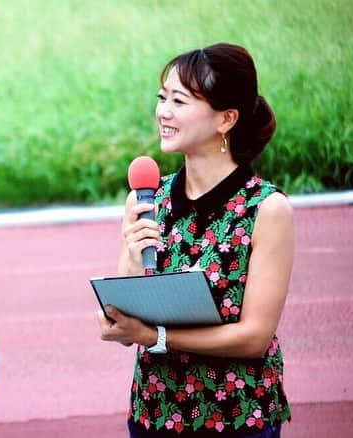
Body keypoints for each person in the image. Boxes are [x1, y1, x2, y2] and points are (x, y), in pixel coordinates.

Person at [98, 43, 293, 437]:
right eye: (162, 98)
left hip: (237, 418)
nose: (163, 112)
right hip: (154, 412)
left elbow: (255, 337)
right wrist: (130, 269)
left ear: (226, 119)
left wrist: (155, 337)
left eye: (180, 100)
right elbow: (123, 322)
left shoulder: (266, 208)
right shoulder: (145, 198)